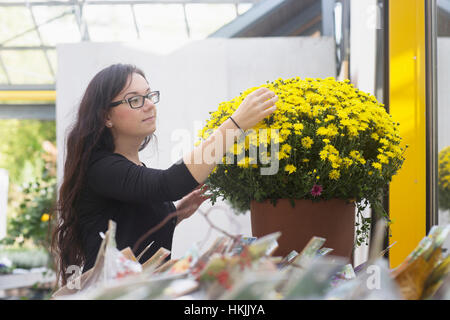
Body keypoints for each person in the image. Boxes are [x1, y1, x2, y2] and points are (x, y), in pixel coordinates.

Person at [51, 63, 278, 286]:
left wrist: (175, 214)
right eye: (135, 100)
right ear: (105, 117)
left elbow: (131, 228)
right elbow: (169, 184)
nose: (149, 105)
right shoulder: (101, 168)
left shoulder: (133, 168)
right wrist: (236, 124)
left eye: (149, 95)